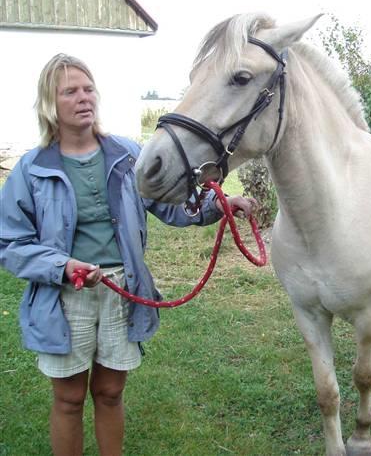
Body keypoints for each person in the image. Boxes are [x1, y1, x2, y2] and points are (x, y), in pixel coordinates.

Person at [0, 53, 256, 456]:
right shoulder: (31, 170)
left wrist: (216, 207)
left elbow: (170, 206)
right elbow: (10, 244)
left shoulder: (126, 155)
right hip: (65, 297)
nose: (84, 98)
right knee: (68, 399)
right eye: (70, 91)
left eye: (88, 89)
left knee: (110, 393)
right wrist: (62, 267)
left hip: (124, 287)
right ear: (51, 103)